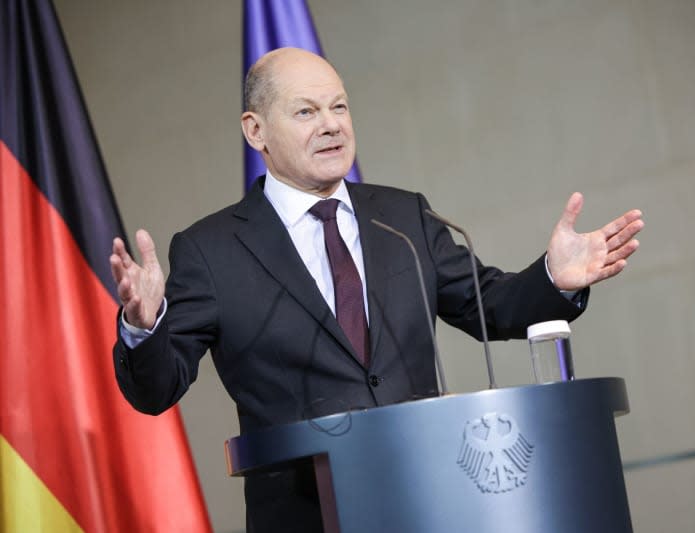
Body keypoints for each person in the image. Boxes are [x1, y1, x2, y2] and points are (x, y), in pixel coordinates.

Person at [110, 47, 643, 532]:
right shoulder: (213, 249)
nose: (331, 125)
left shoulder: (402, 216)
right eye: (306, 112)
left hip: (432, 500)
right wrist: (142, 325)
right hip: (307, 515)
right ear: (256, 131)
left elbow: (491, 307)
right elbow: (156, 389)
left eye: (339, 108)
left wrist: (553, 276)